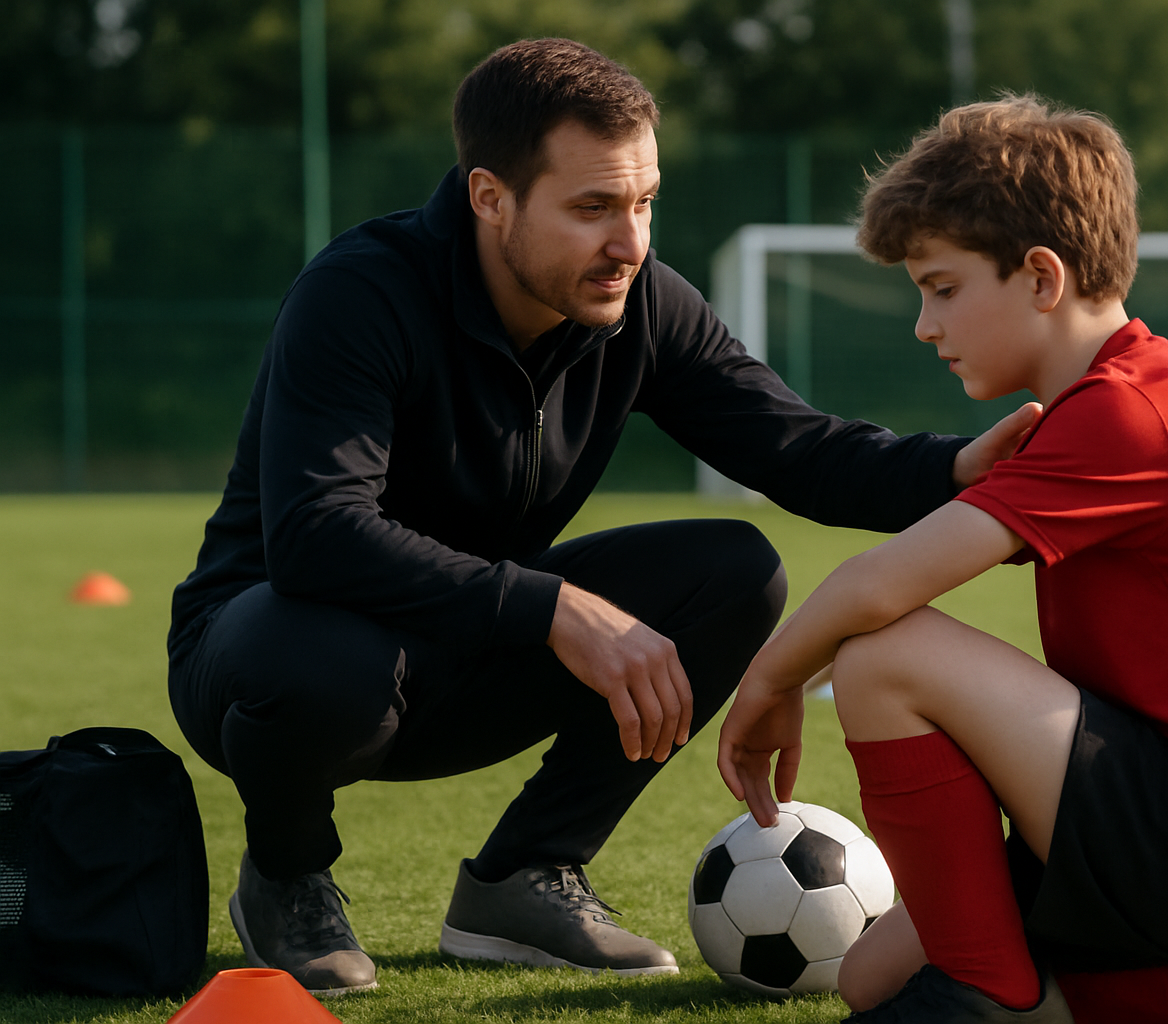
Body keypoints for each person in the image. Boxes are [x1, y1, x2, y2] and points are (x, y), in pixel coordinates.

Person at [165, 39, 1034, 996]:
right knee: (327, 658)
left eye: (644, 202)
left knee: (735, 574)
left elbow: (798, 448)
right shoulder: (361, 293)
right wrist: (552, 608)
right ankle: (286, 876)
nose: (631, 242)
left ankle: (525, 875)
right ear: (490, 198)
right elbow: (315, 535)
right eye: (593, 209)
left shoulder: (639, 305)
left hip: (461, 654)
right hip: (272, 662)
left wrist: (955, 471)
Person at [717, 95, 1168, 1024]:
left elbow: (877, 584)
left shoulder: (1125, 414)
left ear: (1040, 277)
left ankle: (991, 999)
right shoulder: (1135, 394)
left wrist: (770, 683)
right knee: (870, 978)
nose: (924, 325)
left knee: (883, 653)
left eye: (943, 288)